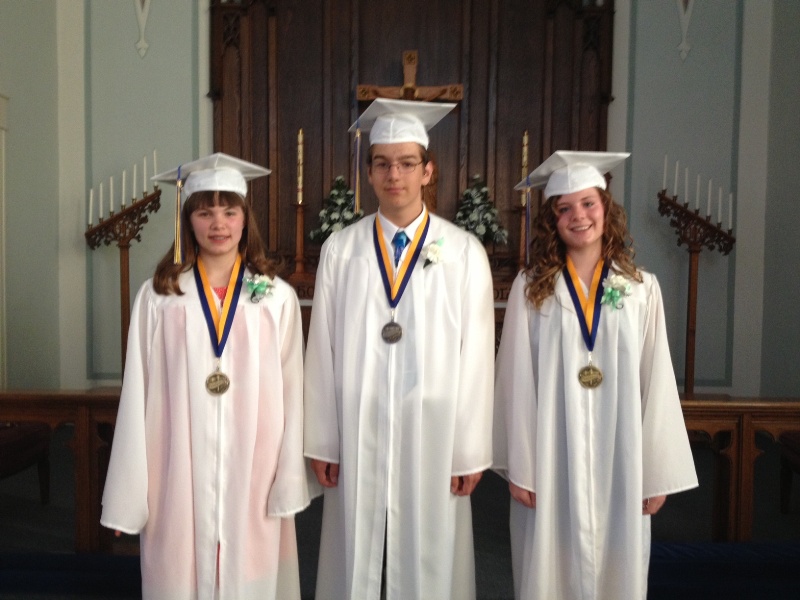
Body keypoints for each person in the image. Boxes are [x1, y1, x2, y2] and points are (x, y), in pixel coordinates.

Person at [303, 98, 495, 600]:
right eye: (383, 163)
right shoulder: (342, 250)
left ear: (428, 171)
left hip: (435, 427)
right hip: (358, 421)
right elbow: (321, 349)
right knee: (354, 548)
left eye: (407, 163)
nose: (395, 175)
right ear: (368, 173)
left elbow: (477, 357)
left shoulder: (462, 251)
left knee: (431, 547)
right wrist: (323, 439)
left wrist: (469, 449)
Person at [100, 153, 310, 600]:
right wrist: (128, 494)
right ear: (188, 221)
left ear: (245, 218)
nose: (218, 224)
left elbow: (294, 390)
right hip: (176, 459)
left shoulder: (275, 298)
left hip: (255, 461)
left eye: (229, 211)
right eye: (205, 212)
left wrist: (289, 474)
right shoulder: (161, 297)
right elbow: (137, 392)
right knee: (179, 564)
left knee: (251, 565)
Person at [494, 151, 699, 600]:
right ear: (552, 221)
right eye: (564, 208)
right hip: (552, 450)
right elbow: (515, 382)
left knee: (617, 564)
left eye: (588, 203)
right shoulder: (532, 290)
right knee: (550, 564)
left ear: (606, 209)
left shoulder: (640, 288)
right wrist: (521, 466)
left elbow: (656, 379)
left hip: (620, 451)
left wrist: (655, 472)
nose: (579, 216)